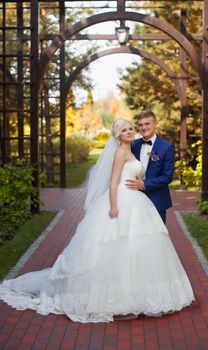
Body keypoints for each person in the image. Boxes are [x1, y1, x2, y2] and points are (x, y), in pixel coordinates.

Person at [0, 119, 194, 323]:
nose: (130, 132)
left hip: (137, 200)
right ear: (117, 135)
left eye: (130, 128)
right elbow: (113, 181)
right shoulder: (120, 152)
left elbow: (161, 173)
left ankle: (138, 294)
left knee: (138, 247)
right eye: (124, 130)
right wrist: (112, 206)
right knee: (114, 246)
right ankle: (115, 298)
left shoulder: (135, 147)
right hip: (121, 199)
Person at [126, 111, 174, 224]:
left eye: (147, 124)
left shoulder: (166, 147)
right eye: (141, 125)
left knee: (158, 237)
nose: (144, 127)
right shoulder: (133, 145)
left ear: (154, 124)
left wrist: (144, 184)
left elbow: (168, 177)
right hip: (134, 199)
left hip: (157, 200)